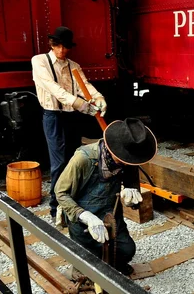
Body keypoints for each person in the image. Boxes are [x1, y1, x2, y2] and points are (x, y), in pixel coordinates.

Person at [55, 118, 157, 277]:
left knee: (127, 251)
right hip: (84, 219)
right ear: (113, 149)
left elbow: (132, 190)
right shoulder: (84, 159)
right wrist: (85, 216)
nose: (126, 163)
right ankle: (84, 265)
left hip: (112, 216)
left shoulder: (129, 161)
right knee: (90, 266)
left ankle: (106, 264)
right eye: (123, 159)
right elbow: (60, 192)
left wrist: (131, 199)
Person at [31, 26, 108, 223]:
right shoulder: (40, 61)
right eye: (58, 46)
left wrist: (99, 98)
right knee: (58, 163)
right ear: (52, 44)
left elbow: (85, 85)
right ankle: (56, 207)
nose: (61, 51)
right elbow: (53, 88)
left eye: (65, 47)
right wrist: (80, 104)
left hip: (71, 117)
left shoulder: (73, 65)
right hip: (53, 116)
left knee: (75, 159)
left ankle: (74, 201)